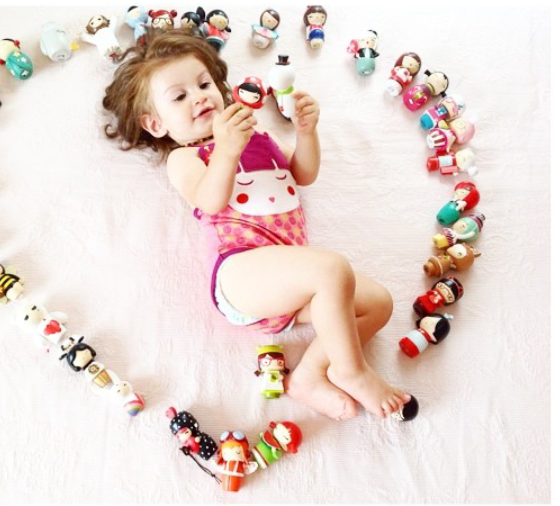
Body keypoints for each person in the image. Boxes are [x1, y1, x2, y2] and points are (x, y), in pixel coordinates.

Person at [102, 30, 411, 420]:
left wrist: (306, 133)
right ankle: (351, 371)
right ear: (156, 124)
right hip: (241, 274)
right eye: (179, 97)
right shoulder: (186, 158)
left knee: (378, 303)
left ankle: (311, 375)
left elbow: (303, 173)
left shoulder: (260, 137)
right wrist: (226, 149)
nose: (199, 97)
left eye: (204, 85)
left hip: (291, 282)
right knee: (332, 268)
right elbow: (209, 199)